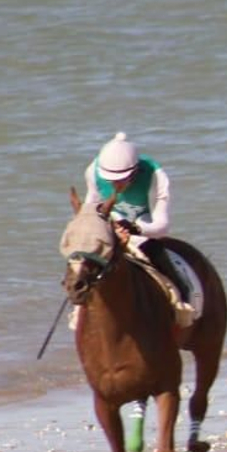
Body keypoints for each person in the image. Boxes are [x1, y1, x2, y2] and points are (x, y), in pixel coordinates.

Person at [81, 132, 195, 326]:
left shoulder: (155, 175)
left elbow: (162, 226)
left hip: (144, 227)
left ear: (135, 171)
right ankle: (79, 312)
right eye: (111, 180)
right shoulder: (93, 171)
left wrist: (135, 228)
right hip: (110, 226)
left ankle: (183, 301)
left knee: (155, 251)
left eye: (121, 179)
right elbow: (90, 208)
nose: (116, 184)